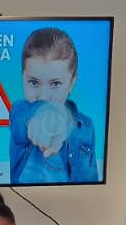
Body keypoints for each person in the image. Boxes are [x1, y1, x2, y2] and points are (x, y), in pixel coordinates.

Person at [9, 27, 99, 185]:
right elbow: (20, 119)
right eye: (34, 82)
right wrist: (44, 116)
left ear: (71, 83)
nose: (44, 97)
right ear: (22, 77)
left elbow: (92, 182)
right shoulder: (19, 112)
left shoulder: (86, 126)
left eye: (55, 83)